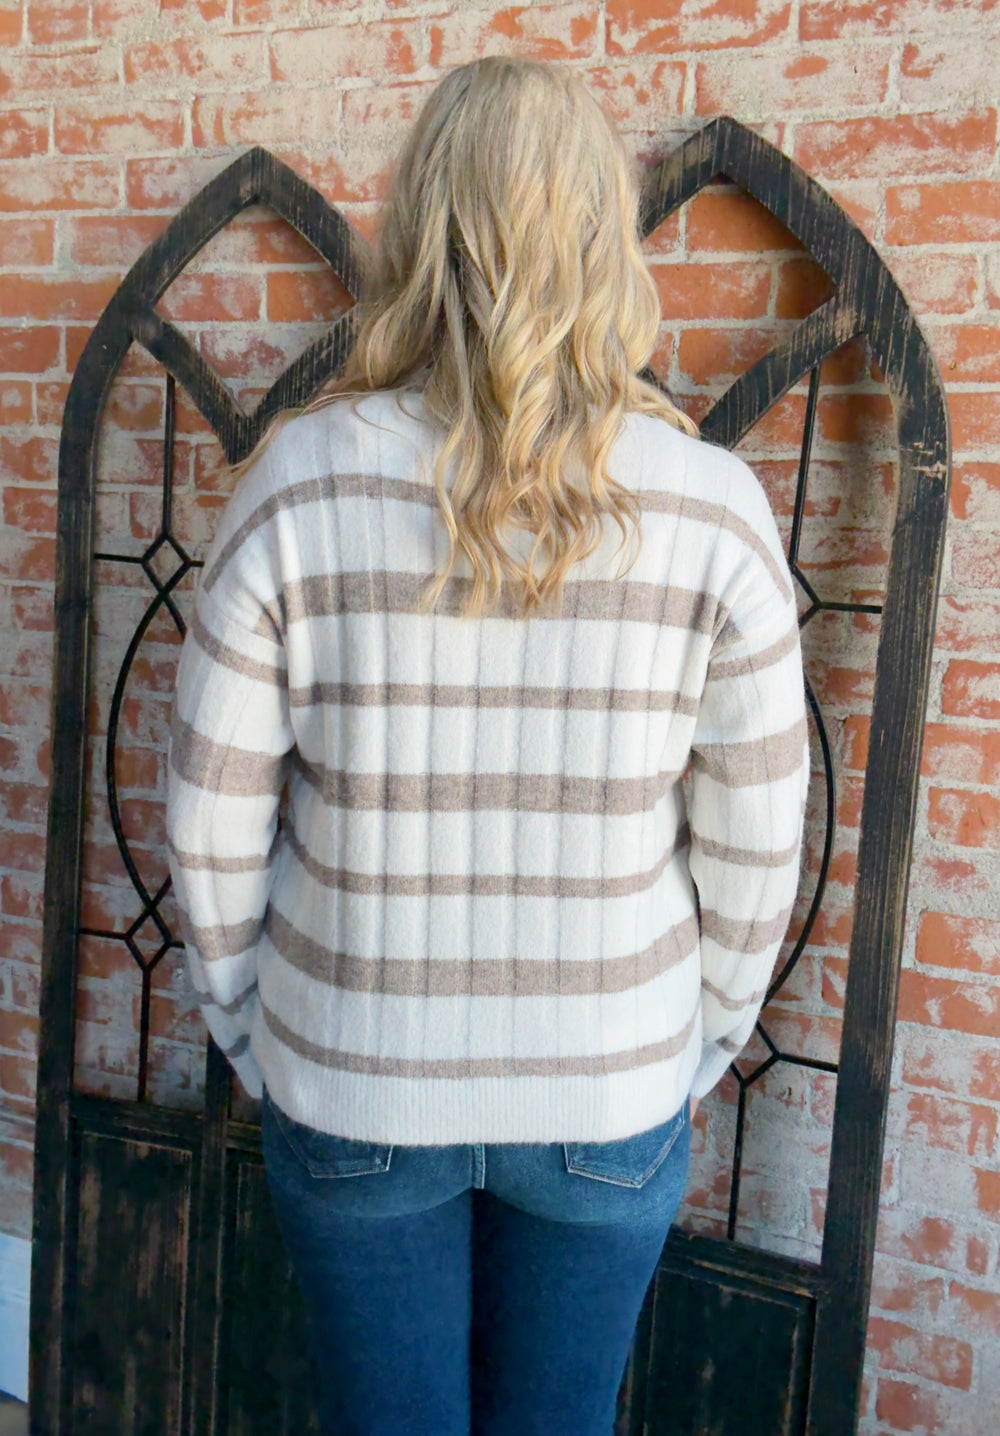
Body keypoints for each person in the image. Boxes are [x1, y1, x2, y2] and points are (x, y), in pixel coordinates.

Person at [165, 56, 809, 1436]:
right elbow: (757, 851)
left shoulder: (294, 484)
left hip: (354, 1071)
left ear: (419, 228)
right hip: (608, 1084)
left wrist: (261, 1036)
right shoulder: (713, 507)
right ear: (606, 234)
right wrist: (691, 1046)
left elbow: (209, 822)